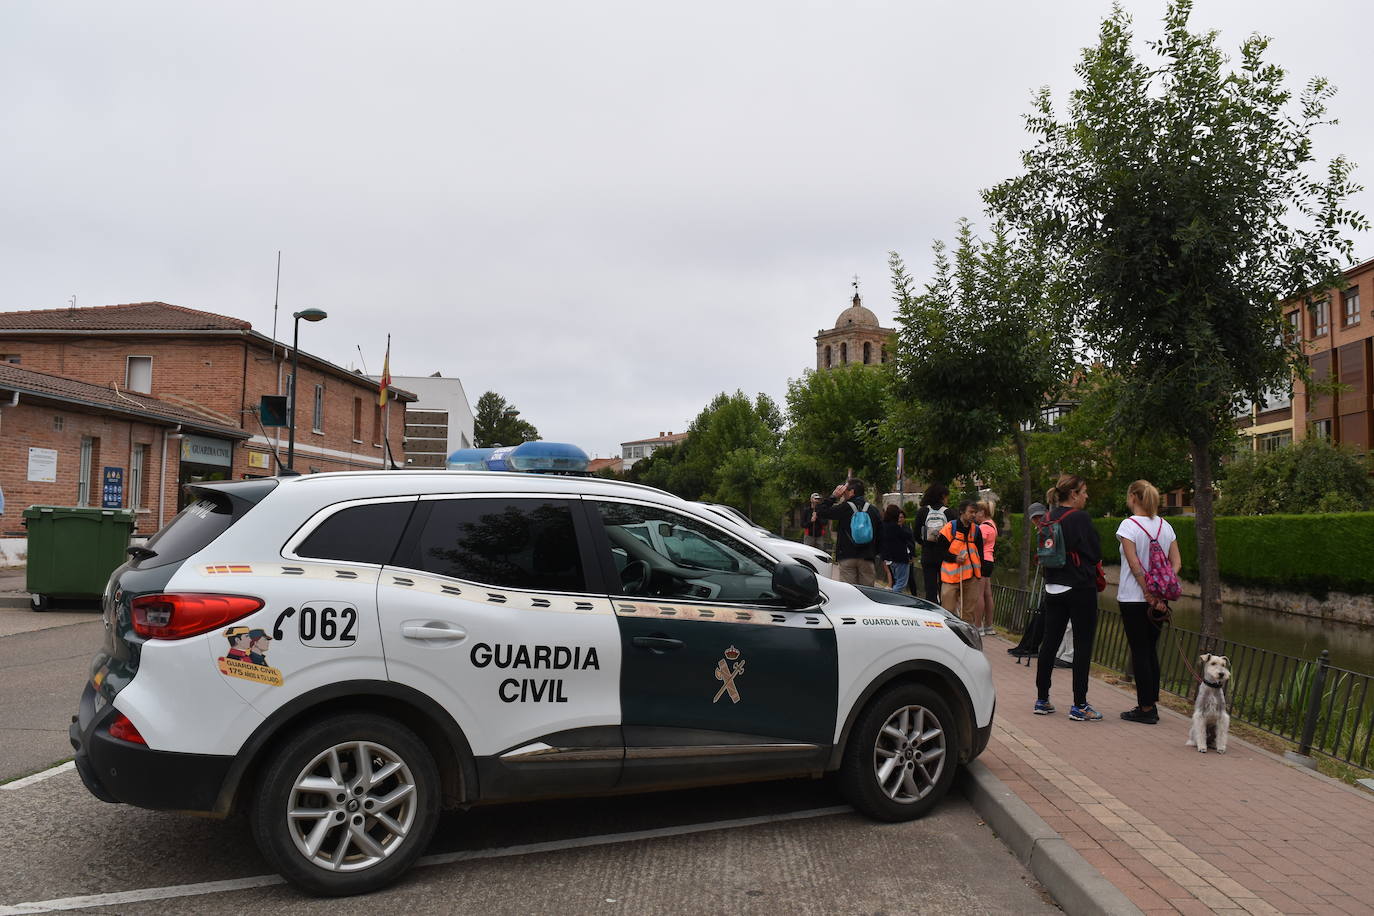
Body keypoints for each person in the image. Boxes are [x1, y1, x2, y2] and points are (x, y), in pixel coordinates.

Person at [1034, 474, 1104, 721]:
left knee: (1049, 642)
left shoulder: (1047, 517)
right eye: (1084, 491)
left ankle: (1042, 699)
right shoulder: (1080, 518)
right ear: (1073, 494)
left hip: (1053, 586)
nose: (1086, 496)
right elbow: (1095, 553)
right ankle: (1079, 705)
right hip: (1080, 587)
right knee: (1083, 645)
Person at [1116, 479, 1182, 725]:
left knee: (1139, 651)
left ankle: (1146, 708)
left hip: (1134, 598)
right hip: (1160, 602)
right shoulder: (1166, 526)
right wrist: (1161, 592)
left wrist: (1147, 592)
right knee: (1151, 650)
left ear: (1133, 496)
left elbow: (1134, 564)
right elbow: (1176, 562)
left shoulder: (1128, 525)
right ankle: (1151, 701)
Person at [817, 477, 884, 586]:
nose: (843, 493)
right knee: (868, 593)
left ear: (852, 492)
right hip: (867, 557)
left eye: (845, 490)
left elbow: (820, 511)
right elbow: (881, 534)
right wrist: (873, 553)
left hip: (846, 555)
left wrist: (833, 496)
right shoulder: (873, 510)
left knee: (849, 591)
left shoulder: (844, 508)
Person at [935, 499, 984, 621]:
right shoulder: (950, 528)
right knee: (948, 610)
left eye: (975, 512)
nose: (973, 515)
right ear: (962, 511)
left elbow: (980, 553)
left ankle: (965, 636)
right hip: (950, 577)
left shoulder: (976, 531)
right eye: (971, 512)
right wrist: (955, 558)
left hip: (971, 577)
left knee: (968, 612)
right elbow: (939, 551)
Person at [914, 483, 952, 603]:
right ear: (942, 496)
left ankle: (930, 612)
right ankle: (943, 611)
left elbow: (916, 534)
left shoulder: (923, 512)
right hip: (944, 556)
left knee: (930, 588)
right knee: (944, 587)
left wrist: (924, 543)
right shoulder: (949, 513)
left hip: (928, 554)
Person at [878, 504, 915, 592]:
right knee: (901, 583)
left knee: (897, 580)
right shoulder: (895, 527)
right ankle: (891, 600)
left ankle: (894, 599)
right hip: (900, 557)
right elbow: (907, 535)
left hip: (888, 558)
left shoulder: (883, 525)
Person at [973, 502, 997, 635]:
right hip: (989, 560)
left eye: (975, 512)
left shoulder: (983, 527)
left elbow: (978, 545)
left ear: (982, 512)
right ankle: (989, 625)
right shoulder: (992, 524)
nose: (974, 515)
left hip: (982, 561)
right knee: (987, 594)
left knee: (979, 594)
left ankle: (978, 626)